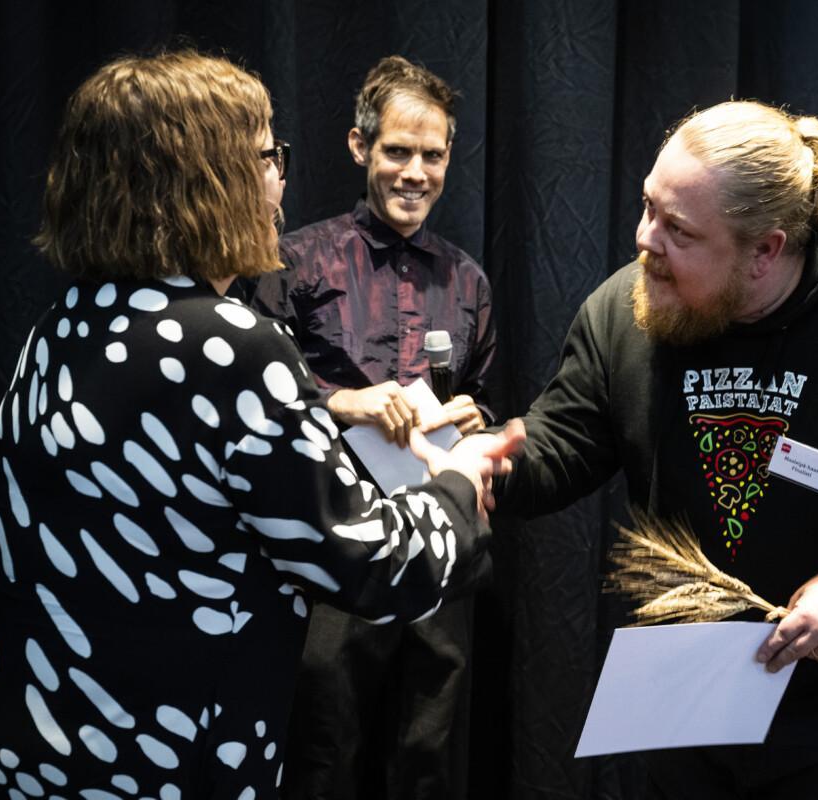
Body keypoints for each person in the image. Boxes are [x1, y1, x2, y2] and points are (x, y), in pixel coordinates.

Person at [0, 50, 522, 800]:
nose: (281, 178)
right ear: (204, 181)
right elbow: (377, 566)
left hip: (30, 753)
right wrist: (457, 481)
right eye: (266, 155)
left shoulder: (58, 327)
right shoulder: (231, 346)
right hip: (157, 769)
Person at [491, 100, 818, 798]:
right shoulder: (630, 305)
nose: (643, 240)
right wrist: (486, 462)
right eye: (647, 206)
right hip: (685, 684)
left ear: (765, 251)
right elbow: (564, 443)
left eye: (678, 229)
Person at [245, 56, 493, 800]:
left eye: (433, 155)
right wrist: (341, 402)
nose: (415, 172)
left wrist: (476, 416)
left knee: (428, 753)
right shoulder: (293, 260)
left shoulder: (470, 281)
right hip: (332, 548)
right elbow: (253, 408)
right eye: (397, 151)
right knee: (326, 749)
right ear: (360, 148)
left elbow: (477, 398)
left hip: (438, 551)